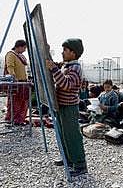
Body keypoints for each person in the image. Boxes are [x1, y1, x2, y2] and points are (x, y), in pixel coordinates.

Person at [46, 38, 87, 177]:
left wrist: (54, 69)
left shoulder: (75, 68)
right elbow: (56, 67)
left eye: (65, 50)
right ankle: (68, 159)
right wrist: (47, 52)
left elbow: (66, 85)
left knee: (72, 136)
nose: (62, 53)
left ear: (73, 53)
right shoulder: (67, 65)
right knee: (64, 134)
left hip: (69, 107)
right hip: (62, 105)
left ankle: (80, 164)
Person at [4, 40, 29, 125]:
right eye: (24, 48)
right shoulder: (11, 54)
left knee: (24, 102)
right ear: (19, 46)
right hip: (16, 83)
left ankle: (20, 119)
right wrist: (13, 78)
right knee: (14, 102)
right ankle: (12, 119)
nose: (25, 50)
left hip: (24, 82)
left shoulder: (21, 56)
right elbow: (10, 67)